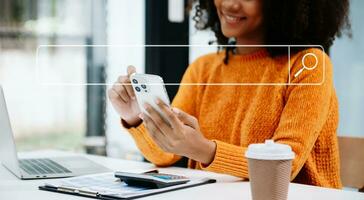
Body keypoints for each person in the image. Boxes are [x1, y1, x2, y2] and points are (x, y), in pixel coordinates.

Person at [108, 0, 351, 188]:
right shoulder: (203, 69)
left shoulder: (308, 64)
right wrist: (136, 118)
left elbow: (284, 165)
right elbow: (164, 153)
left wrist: (202, 149)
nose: (229, 3)